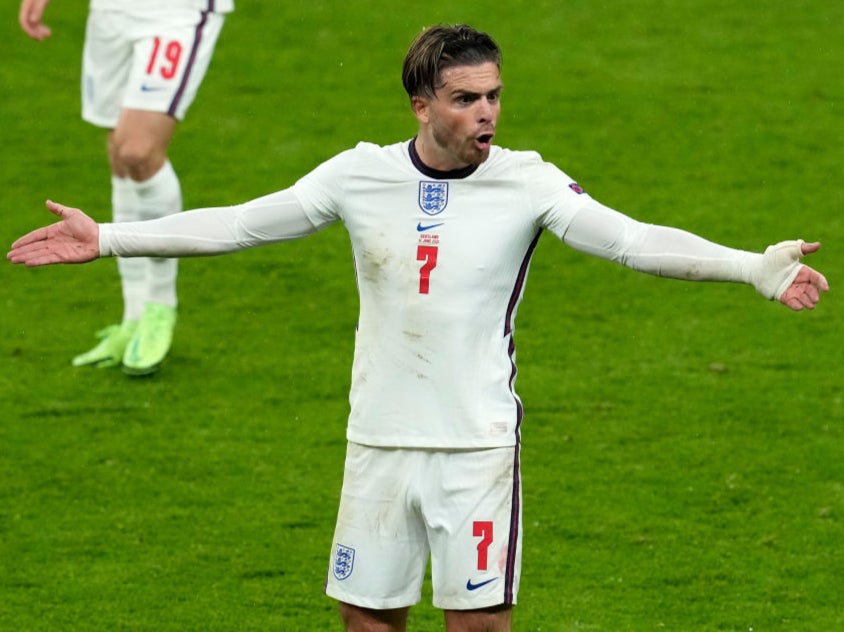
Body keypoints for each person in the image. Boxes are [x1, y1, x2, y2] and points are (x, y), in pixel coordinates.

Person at [7, 23, 828, 632]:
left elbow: (635, 242)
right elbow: (242, 225)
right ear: (423, 104)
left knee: (477, 628)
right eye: (466, 99)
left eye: (494, 96)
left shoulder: (528, 183)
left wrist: (752, 266)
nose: (487, 114)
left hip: (474, 448)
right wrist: (108, 237)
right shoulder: (359, 175)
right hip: (377, 443)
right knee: (367, 622)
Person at [18, 0, 234, 375]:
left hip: (175, 12)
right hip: (110, 12)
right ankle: (133, 313)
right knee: (119, 149)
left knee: (138, 150)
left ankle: (160, 306)